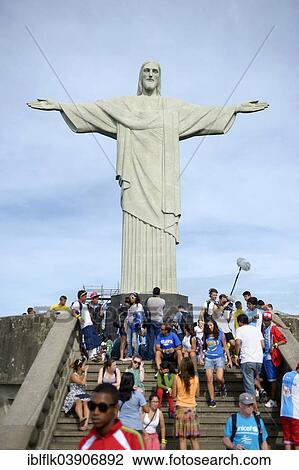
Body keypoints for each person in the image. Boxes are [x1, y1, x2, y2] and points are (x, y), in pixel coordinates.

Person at [28, 62, 268, 295]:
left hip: (163, 185)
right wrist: (60, 106)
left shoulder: (172, 107)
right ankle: (133, 287)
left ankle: (163, 287)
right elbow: (94, 111)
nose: (151, 74)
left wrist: (234, 108)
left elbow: (204, 114)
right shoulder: (126, 105)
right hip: (135, 180)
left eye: (155, 71)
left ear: (160, 77)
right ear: (140, 77)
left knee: (163, 229)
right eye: (146, 71)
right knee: (134, 224)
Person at [79, 383, 144, 450]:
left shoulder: (132, 439)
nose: (96, 412)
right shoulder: (85, 443)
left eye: (102, 407)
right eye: (92, 406)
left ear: (115, 410)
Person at [200, 318, 232, 407]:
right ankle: (212, 400)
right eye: (208, 325)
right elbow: (203, 347)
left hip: (219, 357)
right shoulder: (205, 335)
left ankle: (222, 386)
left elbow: (225, 346)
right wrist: (201, 357)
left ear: (214, 325)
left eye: (211, 325)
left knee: (219, 377)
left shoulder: (220, 334)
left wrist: (229, 359)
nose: (210, 327)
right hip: (208, 358)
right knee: (209, 380)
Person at [235, 314, 265, 404]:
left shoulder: (239, 330)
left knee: (249, 386)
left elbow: (237, 343)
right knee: (253, 379)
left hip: (247, 359)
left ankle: (253, 409)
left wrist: (236, 355)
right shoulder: (256, 330)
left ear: (240, 322)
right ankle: (260, 391)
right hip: (259, 360)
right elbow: (263, 345)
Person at [173, 357, 200, 450]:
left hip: (180, 409)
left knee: (182, 439)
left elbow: (173, 395)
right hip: (192, 409)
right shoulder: (195, 378)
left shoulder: (177, 378)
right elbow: (197, 394)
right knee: (194, 439)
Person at [262, 311, 287, 408]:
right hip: (265, 356)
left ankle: (273, 399)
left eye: (268, 320)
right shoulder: (265, 328)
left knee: (272, 379)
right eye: (265, 320)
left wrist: (275, 345)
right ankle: (268, 396)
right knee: (267, 378)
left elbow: (284, 339)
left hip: (271, 357)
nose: (266, 321)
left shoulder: (273, 328)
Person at [71, 290, 101, 361]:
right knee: (89, 339)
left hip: (90, 324)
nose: (85, 298)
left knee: (95, 339)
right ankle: (91, 356)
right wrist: (79, 317)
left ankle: (94, 354)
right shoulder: (77, 303)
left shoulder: (84, 305)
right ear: (81, 297)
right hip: (85, 325)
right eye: (84, 296)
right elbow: (72, 311)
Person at [63, 358, 90, 431]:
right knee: (78, 401)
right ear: (79, 367)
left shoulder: (82, 375)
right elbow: (82, 383)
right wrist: (86, 372)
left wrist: (84, 374)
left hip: (82, 394)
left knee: (85, 402)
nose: (85, 367)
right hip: (74, 395)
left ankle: (85, 424)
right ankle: (81, 418)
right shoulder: (73, 376)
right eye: (83, 365)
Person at [280, 362, 299, 450]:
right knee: (297, 441)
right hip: (296, 414)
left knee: (287, 440)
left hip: (284, 412)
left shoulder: (286, 375)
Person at [145, 287, 165, 360]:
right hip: (159, 321)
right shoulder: (162, 301)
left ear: (153, 292)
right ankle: (159, 355)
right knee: (159, 339)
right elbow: (163, 309)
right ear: (159, 293)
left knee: (150, 339)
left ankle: (150, 356)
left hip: (150, 321)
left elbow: (146, 309)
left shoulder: (149, 300)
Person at [125, 292, 144, 358]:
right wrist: (126, 325)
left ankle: (135, 353)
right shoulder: (130, 307)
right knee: (128, 340)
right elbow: (127, 317)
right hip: (129, 324)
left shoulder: (138, 305)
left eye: (132, 297)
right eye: (130, 297)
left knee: (134, 340)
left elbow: (140, 316)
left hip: (135, 324)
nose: (131, 299)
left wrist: (139, 324)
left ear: (136, 298)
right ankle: (129, 353)